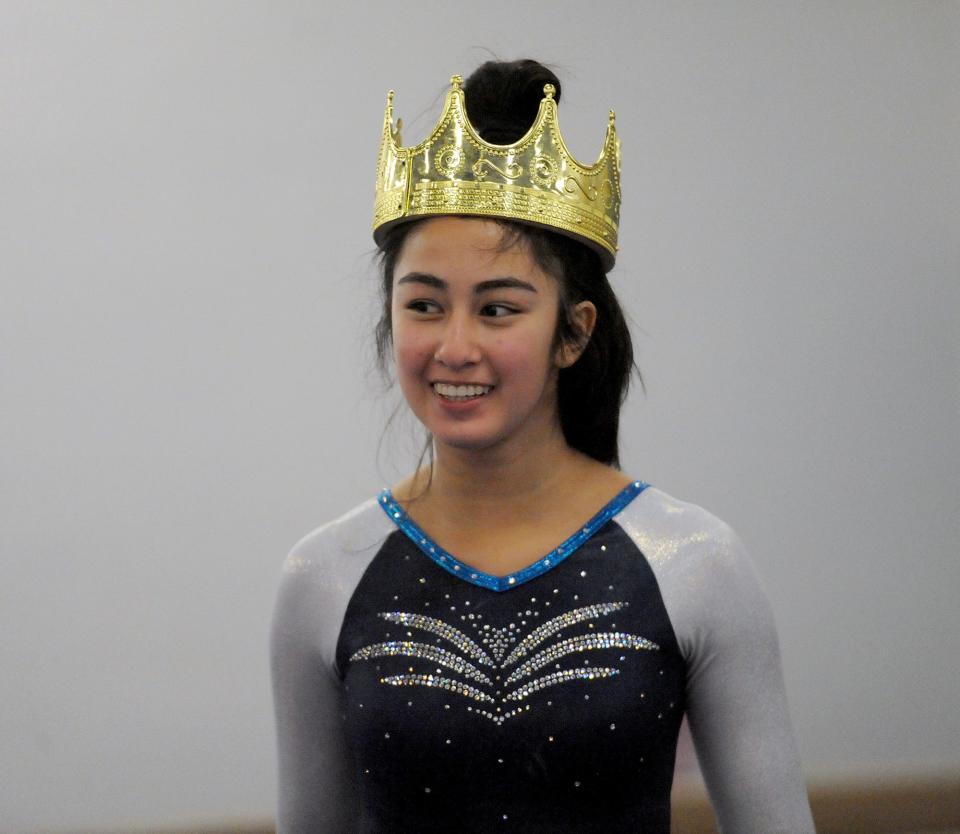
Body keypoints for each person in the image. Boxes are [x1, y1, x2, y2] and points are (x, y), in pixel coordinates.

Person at [271, 59, 815, 833]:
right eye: (424, 304)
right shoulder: (323, 579)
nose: (455, 347)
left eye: (498, 310)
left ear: (573, 331)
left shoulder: (695, 565)